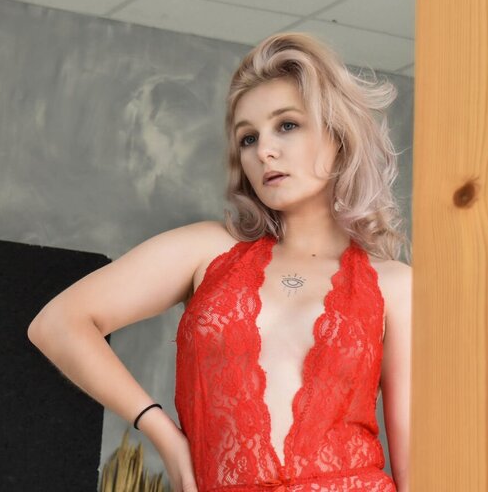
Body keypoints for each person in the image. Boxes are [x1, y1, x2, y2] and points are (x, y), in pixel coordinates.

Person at [28, 32, 411, 492]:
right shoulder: (207, 250)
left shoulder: (395, 285)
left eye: (287, 125)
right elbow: (57, 323)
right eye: (248, 138)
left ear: (338, 134)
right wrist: (164, 434)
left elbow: (418, 469)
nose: (264, 150)